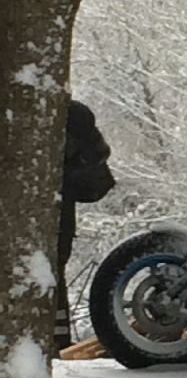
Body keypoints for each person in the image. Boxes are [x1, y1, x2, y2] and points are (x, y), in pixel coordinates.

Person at [56, 100, 115, 350]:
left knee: (49, 269)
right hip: (59, 211)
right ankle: (57, 340)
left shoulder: (68, 115)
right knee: (52, 270)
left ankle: (56, 340)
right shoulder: (72, 112)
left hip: (55, 212)